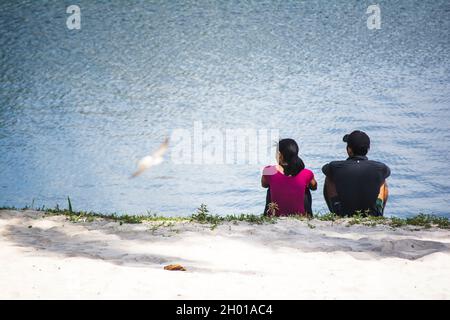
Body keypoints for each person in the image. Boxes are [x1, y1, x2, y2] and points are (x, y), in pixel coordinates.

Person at [322, 130, 390, 216]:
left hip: (344, 214)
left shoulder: (334, 166)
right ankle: (379, 213)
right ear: (368, 149)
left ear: (349, 150)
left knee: (329, 177)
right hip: (371, 214)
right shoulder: (380, 167)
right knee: (382, 180)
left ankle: (335, 212)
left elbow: (324, 169)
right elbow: (387, 172)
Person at [261, 138, 317, 216]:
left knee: (270, 187)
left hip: (275, 215)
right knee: (306, 188)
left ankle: (269, 214)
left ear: (280, 155)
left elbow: (264, 185)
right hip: (301, 216)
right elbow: (314, 187)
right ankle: (307, 214)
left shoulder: (269, 170)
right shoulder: (306, 173)